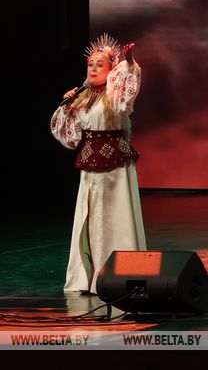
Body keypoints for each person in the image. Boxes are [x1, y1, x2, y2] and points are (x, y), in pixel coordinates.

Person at [51, 34, 146, 293]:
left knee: (117, 217)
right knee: (91, 219)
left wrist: (129, 64)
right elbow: (70, 137)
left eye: (99, 65)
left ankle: (121, 274)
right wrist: (67, 106)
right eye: (90, 65)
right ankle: (89, 276)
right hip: (90, 164)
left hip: (116, 166)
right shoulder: (83, 97)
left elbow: (126, 99)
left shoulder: (114, 95)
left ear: (111, 71)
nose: (93, 69)